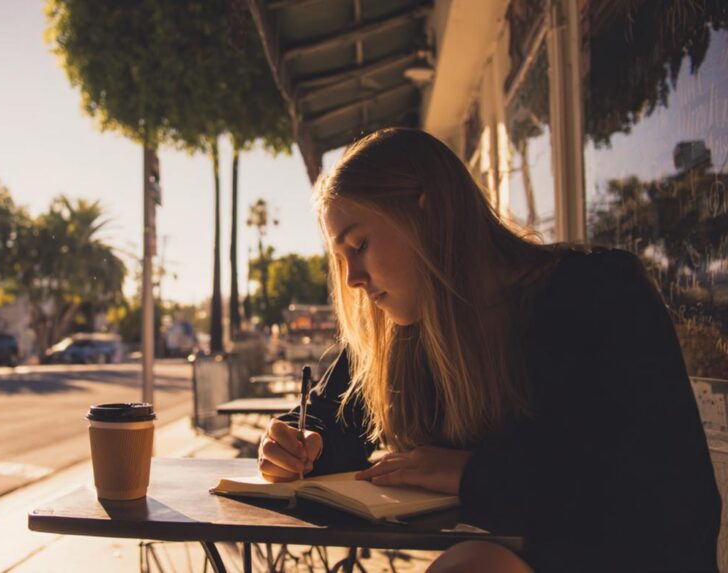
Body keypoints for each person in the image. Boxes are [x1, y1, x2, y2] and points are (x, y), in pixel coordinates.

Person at [258, 128, 720, 572]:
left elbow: (654, 490)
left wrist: (472, 475)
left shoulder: (597, 294)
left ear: (428, 211)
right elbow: (333, 419)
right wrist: (299, 445)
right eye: (342, 260)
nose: (354, 280)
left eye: (359, 245)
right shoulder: (403, 327)